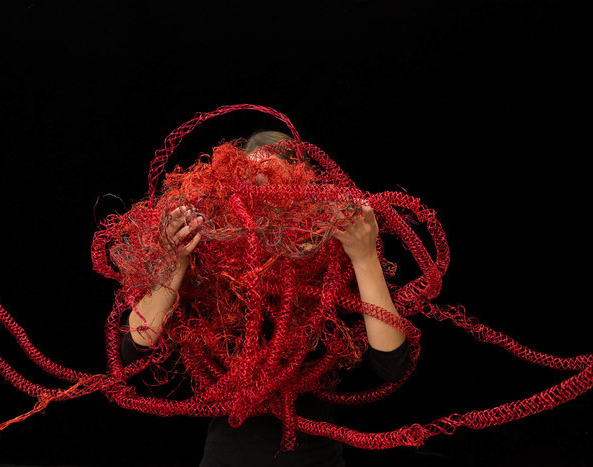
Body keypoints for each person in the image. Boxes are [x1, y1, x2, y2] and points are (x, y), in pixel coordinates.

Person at [120, 131, 410, 466]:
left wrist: (365, 258)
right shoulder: (211, 260)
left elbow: (391, 365)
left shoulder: (334, 260)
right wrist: (176, 263)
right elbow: (134, 350)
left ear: (304, 190)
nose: (263, 197)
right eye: (253, 185)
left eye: (274, 185)